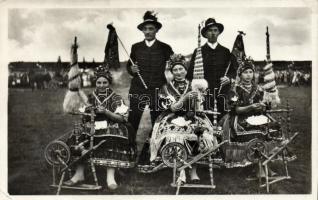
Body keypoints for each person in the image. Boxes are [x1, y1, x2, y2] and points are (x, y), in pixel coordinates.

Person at [146, 54, 217, 183]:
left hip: (192, 115)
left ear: (186, 70)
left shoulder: (194, 84)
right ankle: (181, 171)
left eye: (181, 69)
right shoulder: (166, 88)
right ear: (171, 72)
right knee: (174, 134)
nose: (178, 72)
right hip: (172, 117)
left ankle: (193, 170)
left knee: (199, 133)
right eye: (175, 70)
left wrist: (198, 99)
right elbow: (172, 108)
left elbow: (200, 106)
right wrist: (185, 98)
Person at [64, 66, 136, 190]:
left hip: (111, 124)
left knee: (112, 136)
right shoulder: (90, 97)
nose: (101, 85)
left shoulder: (116, 98)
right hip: (93, 125)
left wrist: (106, 112)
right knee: (78, 137)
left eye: (104, 82)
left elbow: (122, 119)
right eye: (99, 82)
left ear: (109, 83)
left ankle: (110, 176)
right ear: (95, 82)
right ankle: (79, 174)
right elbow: (84, 116)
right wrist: (87, 112)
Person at [126, 11, 173, 164]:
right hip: (138, 90)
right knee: (132, 123)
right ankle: (128, 153)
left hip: (157, 92)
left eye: (151, 28)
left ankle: (155, 156)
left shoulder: (165, 48)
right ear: (142, 30)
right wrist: (131, 70)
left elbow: (173, 67)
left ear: (156, 30)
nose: (147, 31)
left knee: (157, 124)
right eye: (145, 29)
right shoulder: (136, 47)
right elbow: (129, 66)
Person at [187, 18, 238, 120]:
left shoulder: (225, 51)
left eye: (215, 30)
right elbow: (190, 75)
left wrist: (228, 78)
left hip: (222, 93)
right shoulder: (198, 51)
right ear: (205, 34)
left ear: (219, 32)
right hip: (204, 95)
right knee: (205, 121)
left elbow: (234, 70)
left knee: (222, 121)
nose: (213, 33)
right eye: (210, 30)